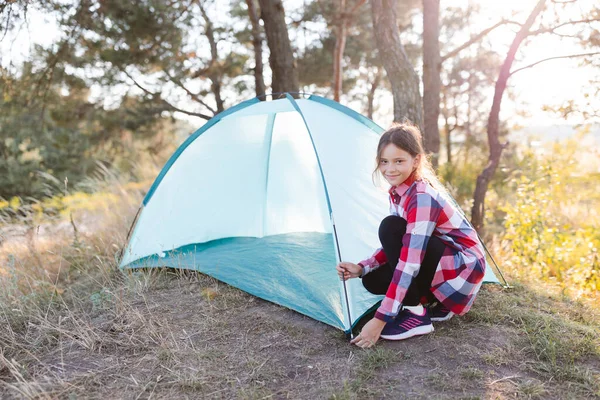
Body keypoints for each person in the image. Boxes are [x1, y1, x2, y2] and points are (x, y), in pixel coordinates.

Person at [336, 123, 486, 348]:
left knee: (390, 227)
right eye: (384, 161)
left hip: (463, 266)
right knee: (372, 279)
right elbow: (402, 244)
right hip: (439, 260)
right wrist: (363, 267)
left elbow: (410, 260)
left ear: (415, 161)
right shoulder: (399, 193)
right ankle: (436, 301)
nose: (389, 169)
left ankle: (417, 315)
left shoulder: (422, 197)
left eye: (399, 161)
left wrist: (380, 319)